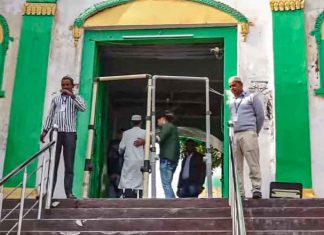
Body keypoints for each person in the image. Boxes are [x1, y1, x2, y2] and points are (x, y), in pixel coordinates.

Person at [40, 75, 86, 199]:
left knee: (69, 164)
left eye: (67, 85)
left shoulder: (77, 99)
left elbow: (83, 108)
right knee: (53, 164)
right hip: (56, 133)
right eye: (63, 85)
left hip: (70, 133)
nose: (65, 87)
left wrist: (72, 96)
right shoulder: (56, 99)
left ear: (72, 86)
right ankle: (48, 192)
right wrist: (45, 131)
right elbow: (50, 115)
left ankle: (69, 193)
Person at [229, 76, 265, 199]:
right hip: (236, 135)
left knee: (253, 162)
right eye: (230, 86)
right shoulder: (231, 102)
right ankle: (240, 192)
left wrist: (255, 131)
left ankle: (256, 189)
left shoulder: (252, 97)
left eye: (234, 85)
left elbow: (260, 116)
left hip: (249, 133)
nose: (232, 88)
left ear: (240, 85)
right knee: (237, 166)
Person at [118, 115, 146, 198]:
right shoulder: (145, 132)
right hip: (141, 161)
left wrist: (120, 152)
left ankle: (127, 196)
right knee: (140, 181)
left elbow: (121, 148)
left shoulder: (126, 133)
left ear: (131, 123)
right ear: (141, 123)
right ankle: (139, 197)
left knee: (127, 180)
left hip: (129, 161)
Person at [157, 111, 180, 198]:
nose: (157, 122)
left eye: (158, 120)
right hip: (173, 159)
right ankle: (172, 201)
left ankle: (172, 203)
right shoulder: (173, 128)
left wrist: (147, 138)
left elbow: (159, 138)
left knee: (166, 184)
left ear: (163, 119)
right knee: (168, 183)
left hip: (166, 159)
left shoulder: (167, 126)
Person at [107, 129, 124, 198]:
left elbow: (109, 157)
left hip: (113, 171)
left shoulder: (112, 143)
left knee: (112, 188)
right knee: (119, 190)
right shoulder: (123, 145)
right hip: (119, 170)